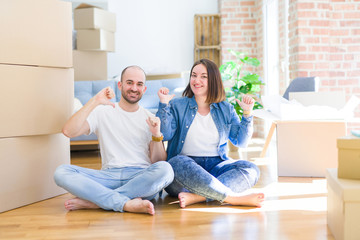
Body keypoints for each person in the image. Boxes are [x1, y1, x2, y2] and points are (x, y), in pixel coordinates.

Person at [54, 65, 174, 215]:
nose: (134, 88)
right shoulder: (103, 112)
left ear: (144, 89)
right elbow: (68, 131)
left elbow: (158, 162)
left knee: (166, 169)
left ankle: (97, 202)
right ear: (120, 85)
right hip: (107, 176)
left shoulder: (149, 118)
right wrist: (96, 100)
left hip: (139, 179)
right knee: (61, 172)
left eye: (139, 84)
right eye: (129, 82)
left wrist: (156, 135)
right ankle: (123, 202)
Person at [156, 59, 265, 208]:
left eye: (203, 76)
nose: (197, 80)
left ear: (213, 80)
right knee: (176, 162)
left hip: (216, 166)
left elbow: (241, 142)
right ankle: (231, 198)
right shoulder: (177, 105)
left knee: (251, 169)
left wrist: (247, 114)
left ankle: (198, 197)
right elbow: (165, 134)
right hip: (185, 172)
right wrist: (164, 105)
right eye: (194, 75)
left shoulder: (226, 108)